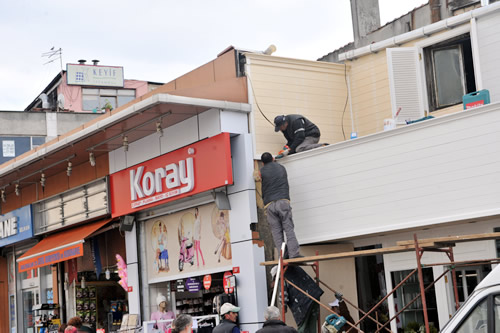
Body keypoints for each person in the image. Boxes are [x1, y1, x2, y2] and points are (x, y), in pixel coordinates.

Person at [257, 152, 301, 259]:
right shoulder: (281, 168)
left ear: (262, 163)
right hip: (282, 201)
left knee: (276, 232)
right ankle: (293, 254)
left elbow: (259, 179)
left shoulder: (261, 172)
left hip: (269, 205)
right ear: (272, 158)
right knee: (288, 228)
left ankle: (283, 256)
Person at [270, 265, 324, 333]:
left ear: (276, 275)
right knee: (311, 326)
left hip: (303, 303)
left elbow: (283, 296)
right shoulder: (295, 268)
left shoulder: (282, 275)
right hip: (315, 296)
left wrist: (284, 307)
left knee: (302, 328)